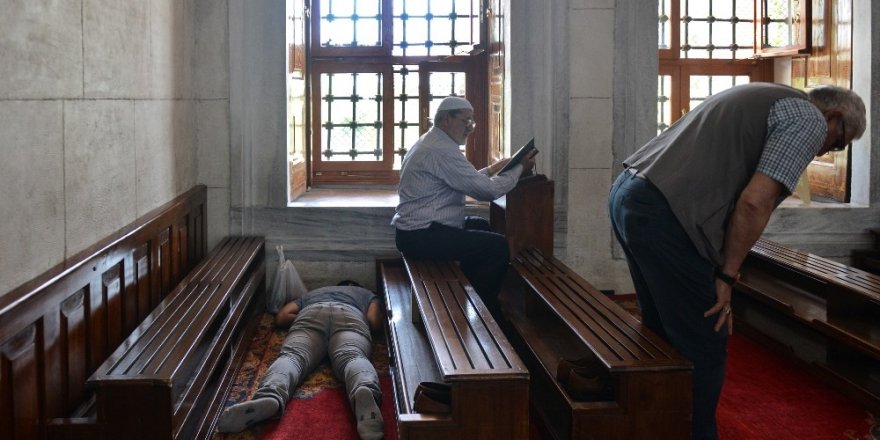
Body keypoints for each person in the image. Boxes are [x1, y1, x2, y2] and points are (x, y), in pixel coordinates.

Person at [607, 83, 866, 440]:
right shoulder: (809, 118)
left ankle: (653, 426)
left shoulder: (769, 95)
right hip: (664, 213)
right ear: (833, 116)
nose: (826, 152)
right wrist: (727, 277)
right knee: (704, 341)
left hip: (630, 193)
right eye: (838, 143)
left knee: (661, 332)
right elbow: (754, 202)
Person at [392, 96, 535, 317]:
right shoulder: (440, 149)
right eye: (465, 121)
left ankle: (471, 292)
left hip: (421, 230)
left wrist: (493, 168)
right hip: (421, 235)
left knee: (481, 225)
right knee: (497, 247)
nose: (469, 128)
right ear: (446, 119)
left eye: (472, 122)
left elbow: (464, 180)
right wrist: (518, 169)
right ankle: (485, 310)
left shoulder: (434, 141)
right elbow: (487, 191)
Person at [217, 281, 386, 440]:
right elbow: (374, 321)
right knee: (353, 356)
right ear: (354, 285)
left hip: (311, 313)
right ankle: (365, 390)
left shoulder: (313, 293)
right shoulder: (367, 294)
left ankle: (270, 395)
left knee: (292, 357)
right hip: (350, 315)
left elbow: (282, 316)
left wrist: (305, 321)